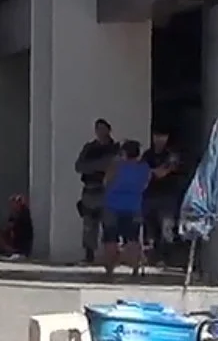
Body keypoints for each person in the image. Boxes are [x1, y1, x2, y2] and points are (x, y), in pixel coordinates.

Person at [102, 140, 151, 278]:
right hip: (134, 206)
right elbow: (145, 185)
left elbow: (106, 182)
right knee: (133, 239)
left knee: (110, 239)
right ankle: (135, 268)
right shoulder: (144, 168)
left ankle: (110, 269)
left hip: (112, 206)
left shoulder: (116, 166)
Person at [74, 119, 120, 264]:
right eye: (98, 129)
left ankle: (110, 257)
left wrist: (98, 166)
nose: (100, 132)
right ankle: (89, 255)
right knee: (89, 224)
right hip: (90, 189)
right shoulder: (89, 148)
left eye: (103, 129)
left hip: (107, 190)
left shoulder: (115, 148)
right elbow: (79, 166)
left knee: (109, 224)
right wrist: (99, 166)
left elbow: (114, 165)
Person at [140, 127, 181, 266]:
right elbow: (142, 171)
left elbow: (162, 172)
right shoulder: (147, 155)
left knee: (167, 230)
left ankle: (166, 259)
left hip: (167, 196)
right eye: (157, 136)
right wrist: (155, 171)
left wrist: (154, 171)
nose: (159, 139)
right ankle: (152, 258)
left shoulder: (171, 155)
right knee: (150, 230)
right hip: (150, 196)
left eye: (162, 136)